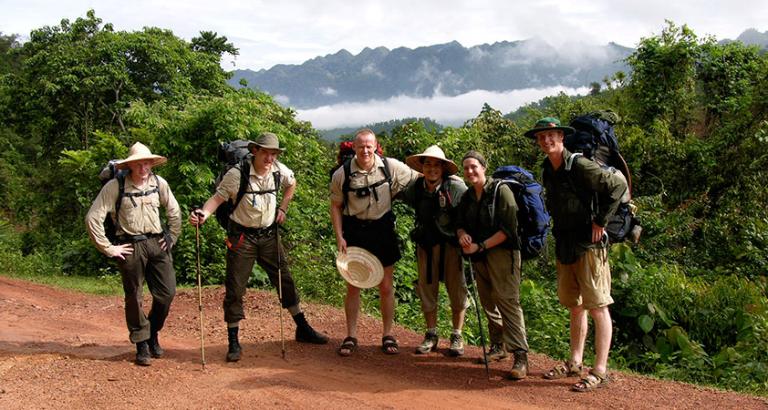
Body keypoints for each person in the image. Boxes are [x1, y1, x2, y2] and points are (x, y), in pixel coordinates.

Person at [189, 132, 328, 362]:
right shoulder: (237, 174)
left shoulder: (278, 171)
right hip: (242, 237)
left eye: (273, 153)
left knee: (285, 280)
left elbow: (291, 184)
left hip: (269, 235)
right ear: (254, 151)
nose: (270, 158)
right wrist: (203, 214)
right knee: (235, 287)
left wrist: (283, 209)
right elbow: (217, 199)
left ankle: (302, 328)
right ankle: (233, 341)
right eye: (266, 152)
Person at [527, 117, 626, 392]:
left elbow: (616, 186)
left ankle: (600, 370)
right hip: (566, 243)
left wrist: (601, 221)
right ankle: (574, 362)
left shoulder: (580, 164)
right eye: (541, 137)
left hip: (589, 244)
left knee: (598, 305)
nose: (546, 141)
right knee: (576, 305)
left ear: (561, 137)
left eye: (551, 135)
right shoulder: (548, 168)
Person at [85, 142, 181, 366]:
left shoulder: (159, 183)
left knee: (167, 293)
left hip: (157, 242)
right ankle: (141, 343)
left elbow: (174, 211)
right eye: (138, 163)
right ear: (129, 166)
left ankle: (153, 331)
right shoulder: (115, 187)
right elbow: (93, 217)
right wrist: (109, 248)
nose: (143, 167)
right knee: (134, 295)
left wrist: (172, 237)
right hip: (129, 246)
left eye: (146, 162)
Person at [330, 128, 418, 356]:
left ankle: (388, 334)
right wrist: (339, 236)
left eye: (369, 146)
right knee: (353, 285)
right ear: (355, 148)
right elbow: (336, 206)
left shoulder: (390, 167)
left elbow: (419, 178)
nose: (365, 151)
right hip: (355, 231)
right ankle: (350, 335)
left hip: (383, 229)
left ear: (376, 146)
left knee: (386, 285)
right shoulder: (343, 173)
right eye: (361, 147)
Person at [455, 150, 530, 380]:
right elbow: (459, 222)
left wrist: (480, 246)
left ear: (484, 167)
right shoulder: (468, 196)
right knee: (488, 301)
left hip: (503, 254)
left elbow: (509, 230)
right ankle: (498, 347)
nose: (470, 171)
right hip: (480, 256)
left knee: (507, 301)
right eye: (466, 168)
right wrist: (462, 235)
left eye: (474, 167)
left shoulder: (501, 191)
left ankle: (520, 356)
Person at [402, 145, 469, 356]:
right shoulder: (416, 188)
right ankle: (431, 334)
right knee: (427, 290)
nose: (432, 169)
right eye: (428, 164)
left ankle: (457, 335)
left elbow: (469, 210)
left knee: (457, 290)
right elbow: (398, 196)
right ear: (422, 167)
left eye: (436, 165)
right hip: (427, 246)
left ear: (443, 168)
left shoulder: (456, 188)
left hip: (451, 246)